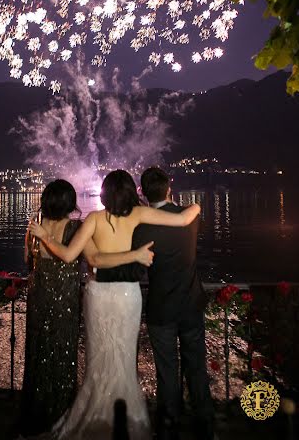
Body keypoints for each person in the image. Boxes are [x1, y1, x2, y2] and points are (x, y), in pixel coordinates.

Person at [29, 169, 201, 440]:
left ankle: (97, 414)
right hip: (128, 296)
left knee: (99, 358)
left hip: (98, 295)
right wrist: (197, 205)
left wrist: (44, 236)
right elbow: (182, 219)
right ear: (132, 192)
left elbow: (73, 255)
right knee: (124, 358)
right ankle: (129, 417)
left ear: (105, 193)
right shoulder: (139, 214)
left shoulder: (93, 219)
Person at [21, 179, 153, 436]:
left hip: (38, 298)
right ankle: (60, 411)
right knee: (62, 355)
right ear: (70, 203)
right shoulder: (75, 227)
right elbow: (91, 260)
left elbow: (28, 259)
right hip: (65, 301)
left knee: (37, 354)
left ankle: (34, 414)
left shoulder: (33, 228)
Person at [133, 167, 214, 440]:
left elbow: (137, 268)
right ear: (169, 188)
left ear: (142, 193)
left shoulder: (142, 227)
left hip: (161, 308)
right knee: (197, 366)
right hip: (191, 304)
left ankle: (169, 425)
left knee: (167, 371)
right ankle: (204, 423)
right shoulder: (188, 217)